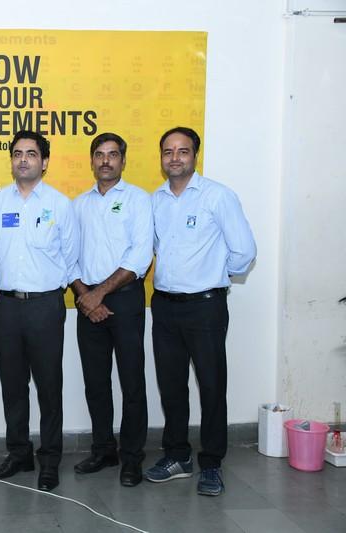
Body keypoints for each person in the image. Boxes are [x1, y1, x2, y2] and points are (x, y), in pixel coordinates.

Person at [145, 126, 256, 496]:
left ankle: (211, 464)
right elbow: (156, 247)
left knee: (211, 386)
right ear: (162, 158)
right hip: (165, 306)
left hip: (205, 307)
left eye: (183, 151)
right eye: (168, 151)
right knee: (172, 386)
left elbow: (244, 251)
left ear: (195, 155)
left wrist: (213, 278)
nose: (175, 158)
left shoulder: (217, 196)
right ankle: (177, 456)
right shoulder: (156, 200)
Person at [0, 130, 79, 492]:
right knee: (13, 385)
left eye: (31, 154)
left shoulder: (60, 204)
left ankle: (49, 459)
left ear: (45, 161)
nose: (23, 160)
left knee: (49, 386)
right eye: (18, 154)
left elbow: (70, 256)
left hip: (45, 306)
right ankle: (19, 453)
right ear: (11, 160)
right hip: (7, 306)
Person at [70, 132, 153, 487]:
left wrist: (100, 293)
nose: (106, 161)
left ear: (123, 160)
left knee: (132, 383)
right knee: (96, 382)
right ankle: (103, 450)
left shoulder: (139, 200)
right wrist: (86, 296)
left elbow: (140, 255)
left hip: (125, 299)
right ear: (92, 160)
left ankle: (132, 457)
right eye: (100, 155)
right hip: (87, 302)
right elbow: (68, 256)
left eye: (113, 154)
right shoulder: (78, 205)